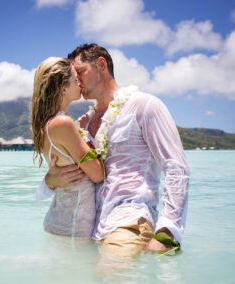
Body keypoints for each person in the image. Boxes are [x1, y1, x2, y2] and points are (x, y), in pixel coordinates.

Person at [37, 44, 190, 258]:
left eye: (80, 72)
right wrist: (50, 180)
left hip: (129, 219)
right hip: (90, 229)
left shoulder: (145, 106)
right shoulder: (84, 123)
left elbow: (177, 168)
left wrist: (167, 232)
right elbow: (74, 175)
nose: (77, 80)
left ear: (101, 65)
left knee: (111, 277)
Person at [31, 57, 104, 238]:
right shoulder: (63, 123)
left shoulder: (47, 125)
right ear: (62, 88)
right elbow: (97, 174)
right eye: (75, 80)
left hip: (62, 221)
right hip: (74, 225)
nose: (80, 83)